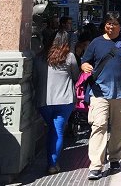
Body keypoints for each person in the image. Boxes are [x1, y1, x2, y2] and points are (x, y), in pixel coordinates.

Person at [81, 12, 121, 180]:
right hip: (98, 92)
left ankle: (115, 158)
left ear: (120, 25)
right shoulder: (96, 42)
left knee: (118, 128)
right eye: (108, 23)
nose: (110, 27)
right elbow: (85, 60)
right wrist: (85, 66)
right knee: (98, 125)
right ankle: (96, 166)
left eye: (114, 24)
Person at [33, 31, 80, 175]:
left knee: (52, 131)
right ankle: (52, 164)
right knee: (57, 131)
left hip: (44, 101)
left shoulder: (39, 58)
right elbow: (76, 76)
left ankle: (51, 161)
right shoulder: (69, 57)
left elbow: (35, 79)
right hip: (64, 100)